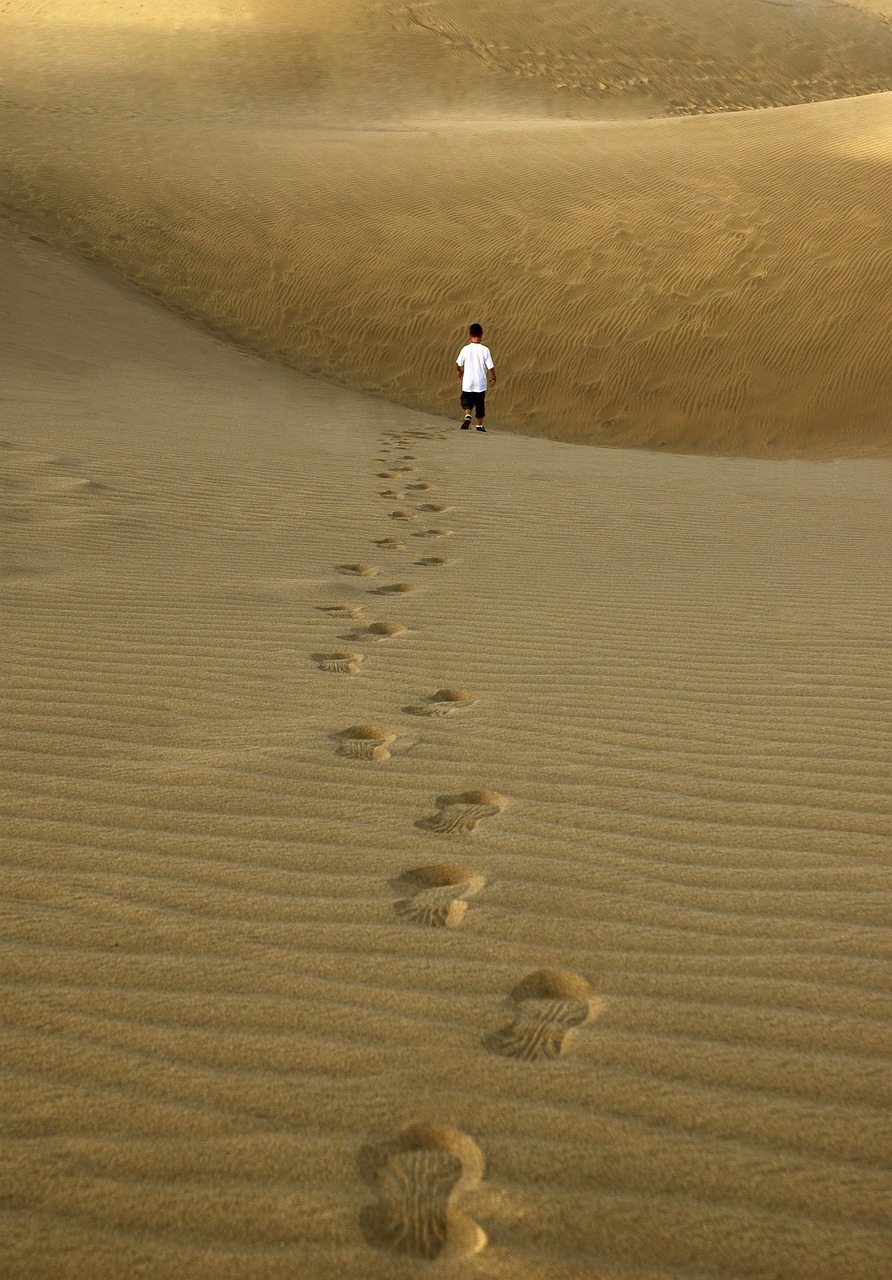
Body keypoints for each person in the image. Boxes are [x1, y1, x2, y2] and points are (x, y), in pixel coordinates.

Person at [455, 323, 496, 431]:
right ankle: (479, 425)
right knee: (479, 404)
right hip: (480, 383)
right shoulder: (485, 350)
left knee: (467, 401)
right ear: (481, 335)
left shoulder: (465, 349)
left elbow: (458, 362)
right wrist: (494, 377)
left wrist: (459, 371)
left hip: (468, 382)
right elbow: (490, 366)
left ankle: (468, 415)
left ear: (469, 335)